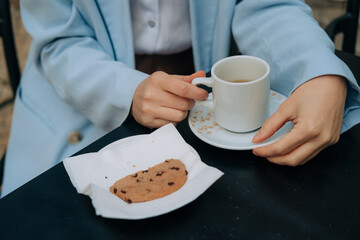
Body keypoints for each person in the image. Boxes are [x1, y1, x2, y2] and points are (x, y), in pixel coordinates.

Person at [1, 0, 359, 197]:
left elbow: (268, 6)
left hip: (199, 86)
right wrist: (126, 90)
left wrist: (319, 72)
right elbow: (62, 41)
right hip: (81, 94)